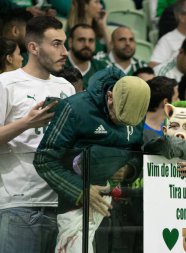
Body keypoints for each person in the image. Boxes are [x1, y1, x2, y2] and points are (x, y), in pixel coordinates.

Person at [33, 68, 150, 252]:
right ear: (110, 97)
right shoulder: (75, 108)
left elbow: (136, 153)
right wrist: (82, 191)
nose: (121, 125)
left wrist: (128, 169)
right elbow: (44, 159)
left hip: (116, 210)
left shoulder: (135, 108)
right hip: (74, 203)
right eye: (118, 117)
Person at [0, 15, 75, 253]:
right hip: (19, 205)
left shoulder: (67, 87)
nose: (65, 51)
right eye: (56, 44)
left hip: (63, 206)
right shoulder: (6, 83)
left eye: (64, 43)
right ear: (33, 47)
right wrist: (25, 123)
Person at [65, 24, 108, 89]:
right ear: (70, 42)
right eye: (81, 40)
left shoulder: (102, 68)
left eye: (91, 40)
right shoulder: (59, 65)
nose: (87, 45)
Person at [144, 76, 179, 141]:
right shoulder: (137, 129)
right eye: (176, 98)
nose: (179, 101)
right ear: (165, 102)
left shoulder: (172, 129)